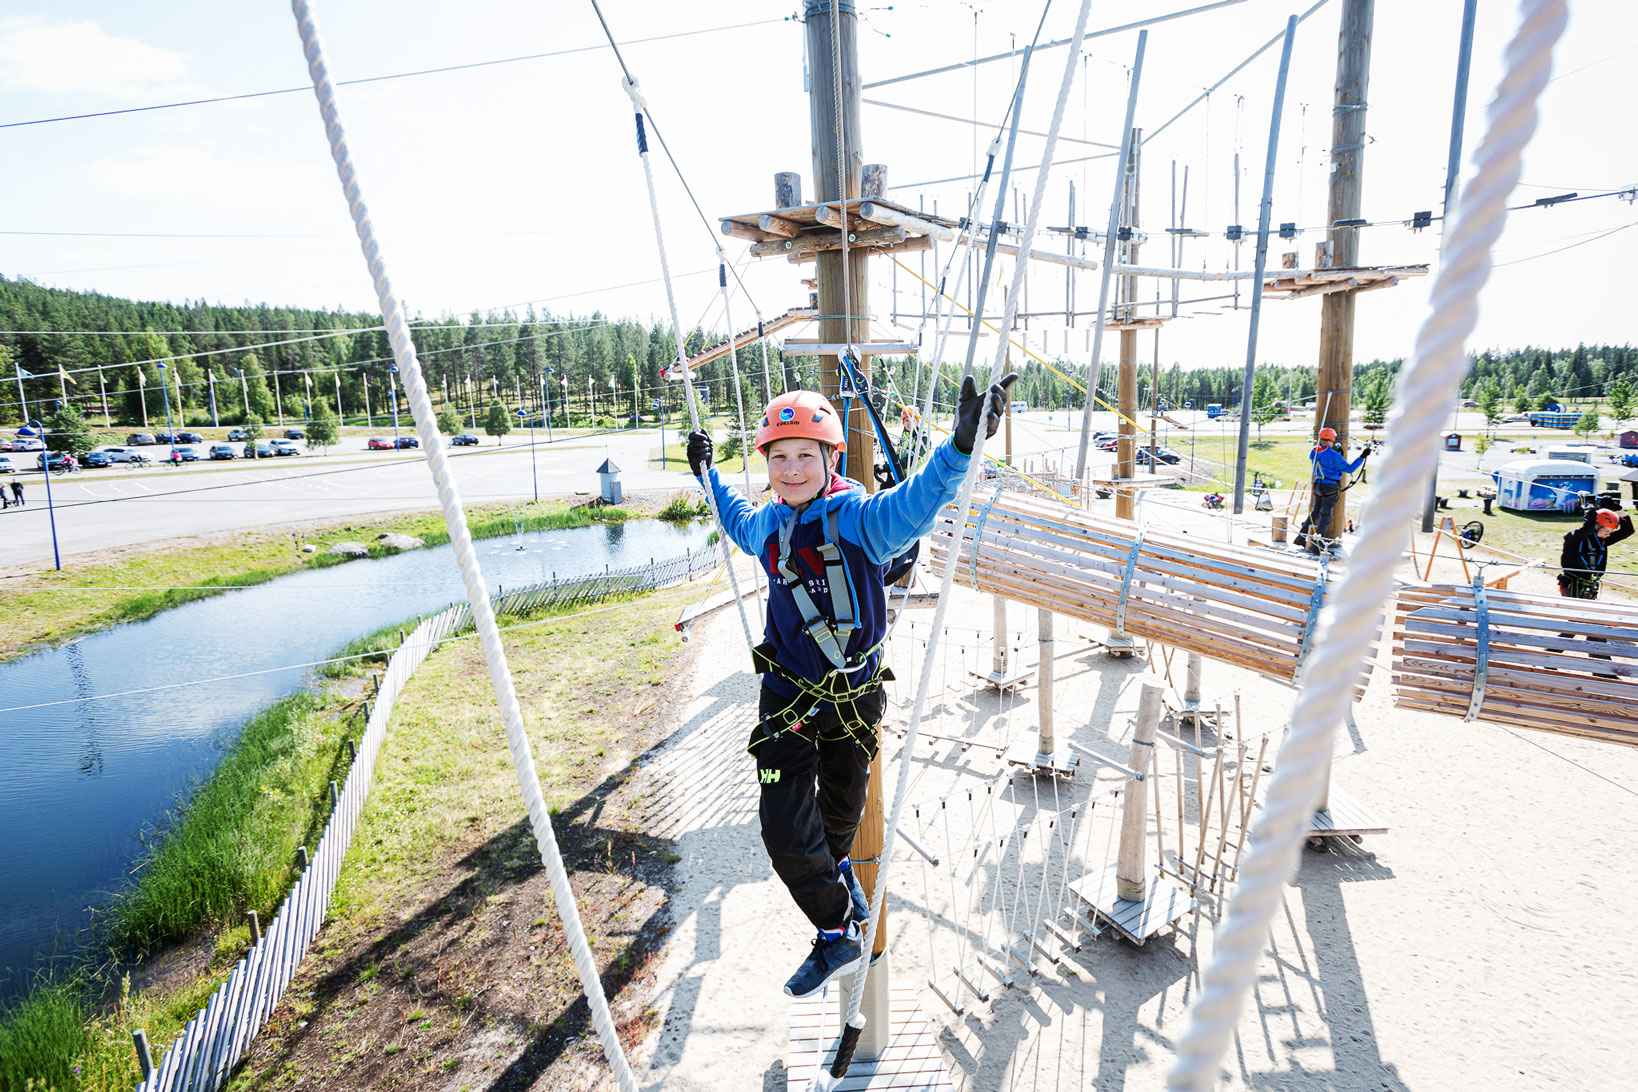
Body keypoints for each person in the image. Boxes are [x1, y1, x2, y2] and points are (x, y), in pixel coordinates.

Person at [687, 373, 1016, 1000]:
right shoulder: (768, 527)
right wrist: (708, 475)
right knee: (785, 829)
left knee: (840, 816)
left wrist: (961, 448)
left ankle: (838, 881)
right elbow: (734, 517)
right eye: (778, 458)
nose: (790, 470)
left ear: (832, 458)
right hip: (787, 701)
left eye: (804, 456)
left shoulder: (862, 521)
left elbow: (917, 502)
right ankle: (837, 927)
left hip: (855, 699)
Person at [1294, 427, 1367, 553]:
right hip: (1330, 486)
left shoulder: (1314, 451)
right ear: (1331, 439)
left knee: (1315, 512)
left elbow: (1326, 460)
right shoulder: (1333, 455)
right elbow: (1349, 469)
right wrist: (1362, 457)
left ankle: (1301, 538)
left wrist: (1337, 453)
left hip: (1317, 485)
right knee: (1325, 515)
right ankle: (1318, 546)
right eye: (1333, 439)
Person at [1558, 506, 1633, 599]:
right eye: (1606, 530)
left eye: (1611, 532)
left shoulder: (1602, 540)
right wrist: (1590, 511)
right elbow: (1587, 528)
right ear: (1596, 526)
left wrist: (1619, 509)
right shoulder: (1575, 538)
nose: (1608, 534)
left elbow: (1628, 530)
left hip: (1589, 586)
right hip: (1572, 583)